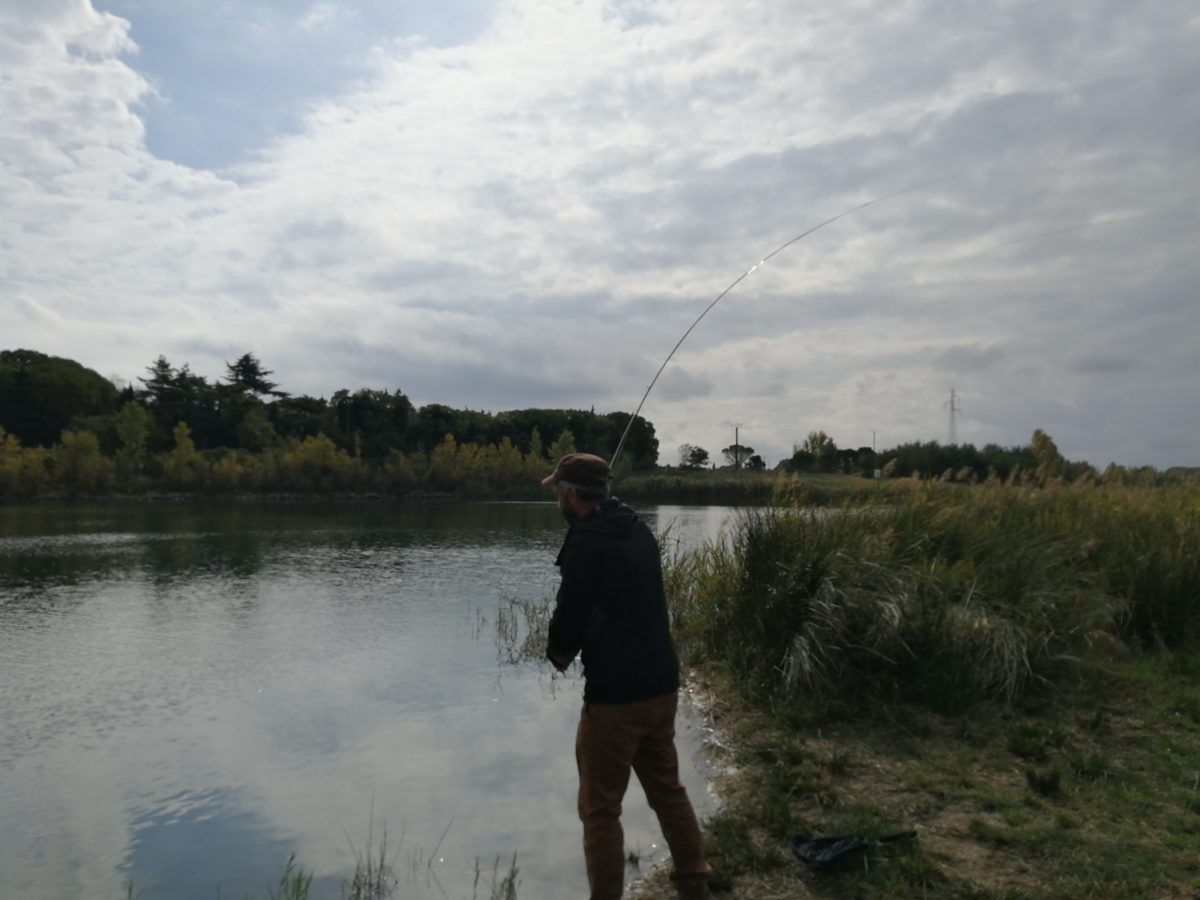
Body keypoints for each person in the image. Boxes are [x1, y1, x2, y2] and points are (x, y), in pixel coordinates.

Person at [542, 452, 711, 900]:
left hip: (615, 698)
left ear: (573, 494)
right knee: (668, 790)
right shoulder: (638, 529)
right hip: (661, 684)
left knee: (600, 811)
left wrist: (557, 652)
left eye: (559, 491)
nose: (558, 498)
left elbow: (571, 617)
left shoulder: (586, 542)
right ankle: (695, 882)